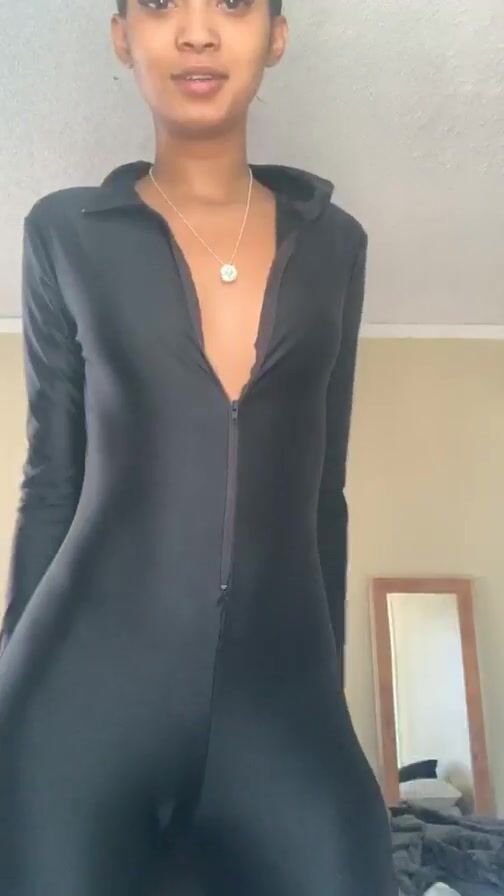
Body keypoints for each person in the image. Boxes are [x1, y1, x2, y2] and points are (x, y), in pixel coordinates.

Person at [0, 0, 397, 893]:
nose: (196, 31)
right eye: (158, 4)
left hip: (283, 700)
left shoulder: (336, 244)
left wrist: (325, 687)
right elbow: (53, 477)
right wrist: (9, 668)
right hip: (77, 698)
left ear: (276, 36)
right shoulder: (65, 232)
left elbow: (323, 490)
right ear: (121, 35)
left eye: (233, 3)